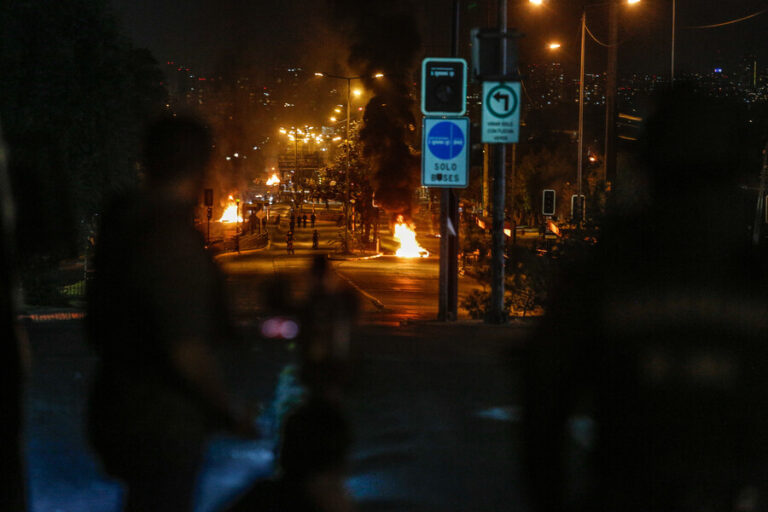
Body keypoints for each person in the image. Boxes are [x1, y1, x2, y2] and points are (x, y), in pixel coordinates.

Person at [86, 116, 256, 512]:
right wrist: (228, 411)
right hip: (161, 421)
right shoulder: (168, 237)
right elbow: (186, 351)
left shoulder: (124, 220)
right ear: (201, 165)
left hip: (119, 405)